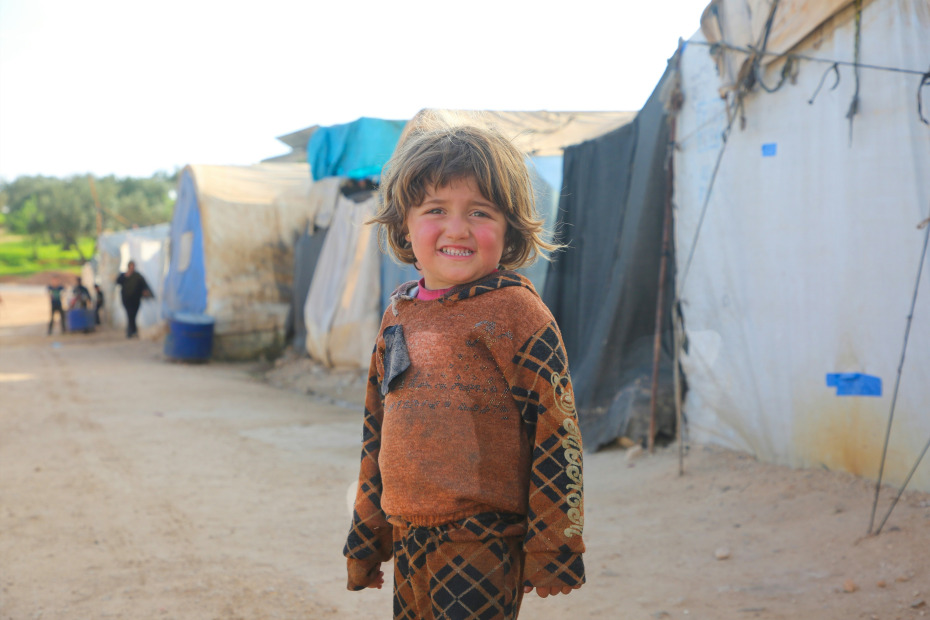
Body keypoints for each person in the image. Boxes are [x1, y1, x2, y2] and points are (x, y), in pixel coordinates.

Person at [343, 124, 585, 619]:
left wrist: (555, 543)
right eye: (436, 210)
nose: (457, 229)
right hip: (409, 533)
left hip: (484, 540)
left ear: (509, 228)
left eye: (480, 212)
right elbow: (376, 428)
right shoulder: (399, 314)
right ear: (404, 225)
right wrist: (367, 533)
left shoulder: (517, 314)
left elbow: (556, 432)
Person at [116, 260, 153, 338]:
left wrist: (145, 291)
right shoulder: (124, 275)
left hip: (136, 299)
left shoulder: (137, 276)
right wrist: (125, 276)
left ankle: (132, 331)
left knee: (133, 315)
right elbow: (118, 281)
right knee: (130, 315)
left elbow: (144, 284)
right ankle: (131, 331)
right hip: (126, 299)